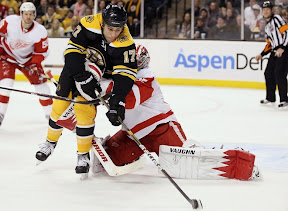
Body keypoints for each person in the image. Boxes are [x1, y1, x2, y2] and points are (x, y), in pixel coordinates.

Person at [91, 44, 259, 181]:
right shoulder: (119, 76)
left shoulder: (147, 76)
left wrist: (103, 87)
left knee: (190, 162)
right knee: (106, 161)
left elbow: (130, 100)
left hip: (162, 129)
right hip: (132, 135)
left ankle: (232, 157)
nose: (132, 66)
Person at [35, 4, 137, 177]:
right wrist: (81, 75)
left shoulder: (126, 42)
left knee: (84, 111)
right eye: (110, 29)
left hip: (100, 79)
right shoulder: (89, 24)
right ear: (102, 23)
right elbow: (72, 51)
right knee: (59, 107)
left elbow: (125, 74)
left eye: (117, 30)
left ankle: (83, 155)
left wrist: (117, 102)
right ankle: (50, 142)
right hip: (75, 69)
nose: (113, 34)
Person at [0, 2, 52, 126]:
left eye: (31, 14)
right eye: (26, 14)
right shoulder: (10, 21)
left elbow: (41, 52)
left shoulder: (40, 31)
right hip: (8, 56)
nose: (28, 16)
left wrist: (34, 64)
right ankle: (0, 114)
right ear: (21, 14)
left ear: (34, 15)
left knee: (42, 87)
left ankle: (51, 115)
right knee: (6, 84)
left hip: (29, 60)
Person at [255, 1, 288, 108]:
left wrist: (283, 47)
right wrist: (262, 54)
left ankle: (284, 99)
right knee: (268, 73)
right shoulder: (267, 26)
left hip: (284, 50)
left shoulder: (277, 19)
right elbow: (270, 43)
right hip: (275, 52)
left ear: (271, 11)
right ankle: (270, 97)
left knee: (279, 73)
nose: (265, 11)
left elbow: (287, 33)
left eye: (268, 9)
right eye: (264, 10)